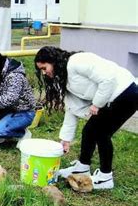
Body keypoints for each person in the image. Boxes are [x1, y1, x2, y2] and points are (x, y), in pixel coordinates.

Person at [35, 46, 137, 189]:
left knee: (102, 132)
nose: (44, 73)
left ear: (53, 61)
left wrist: (97, 104)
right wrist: (66, 139)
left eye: (44, 68)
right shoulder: (64, 79)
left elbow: (108, 79)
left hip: (127, 92)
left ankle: (105, 177)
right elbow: (71, 109)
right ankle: (82, 167)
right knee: (89, 130)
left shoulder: (78, 61)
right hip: (110, 98)